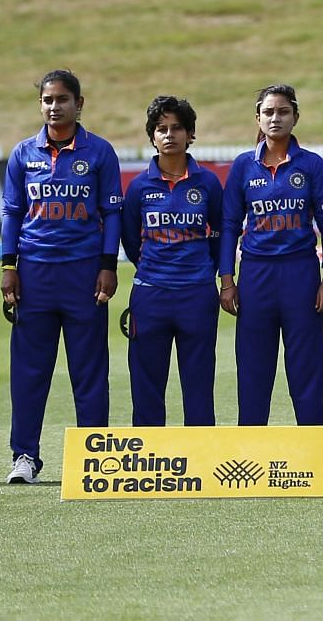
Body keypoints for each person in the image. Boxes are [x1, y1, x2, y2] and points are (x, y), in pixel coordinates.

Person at [0, 69, 123, 484]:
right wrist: (9, 267)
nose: (55, 107)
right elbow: (13, 213)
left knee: (89, 369)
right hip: (34, 274)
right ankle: (25, 457)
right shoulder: (22, 154)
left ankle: (93, 455)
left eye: (63, 99)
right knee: (30, 371)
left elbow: (111, 214)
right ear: (41, 105)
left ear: (79, 104)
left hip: (84, 273)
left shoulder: (100, 152)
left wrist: (108, 265)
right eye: (48, 100)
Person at [219, 84, 323, 426]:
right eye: (268, 112)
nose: (275, 118)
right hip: (255, 275)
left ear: (295, 117)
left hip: (300, 273)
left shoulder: (312, 166)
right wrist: (227, 281)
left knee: (307, 369)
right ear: (258, 118)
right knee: (254, 370)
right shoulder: (243, 166)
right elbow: (228, 225)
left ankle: (313, 449)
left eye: (283, 112)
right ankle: (251, 451)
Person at [120, 95, 226, 427]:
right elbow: (130, 239)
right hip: (150, 294)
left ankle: (200, 456)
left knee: (198, 382)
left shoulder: (207, 182)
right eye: (161, 129)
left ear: (190, 134)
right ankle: (151, 458)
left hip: (196, 294)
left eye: (177, 128)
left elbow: (221, 233)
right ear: (152, 136)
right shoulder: (139, 187)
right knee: (147, 384)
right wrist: (154, 269)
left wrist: (204, 270)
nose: (170, 135)